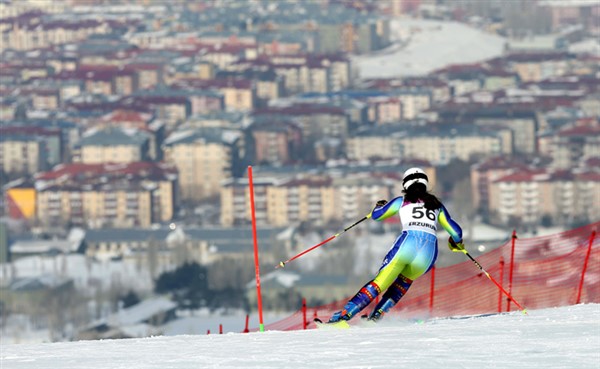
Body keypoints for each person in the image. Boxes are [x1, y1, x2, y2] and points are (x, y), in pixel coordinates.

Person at [328, 167, 464, 323]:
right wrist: (456, 243)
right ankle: (376, 317)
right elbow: (456, 231)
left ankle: (345, 316)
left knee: (380, 282)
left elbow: (377, 216)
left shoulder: (402, 201)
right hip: (428, 254)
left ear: (406, 185)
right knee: (403, 283)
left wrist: (379, 206)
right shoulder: (437, 205)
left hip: (408, 244)